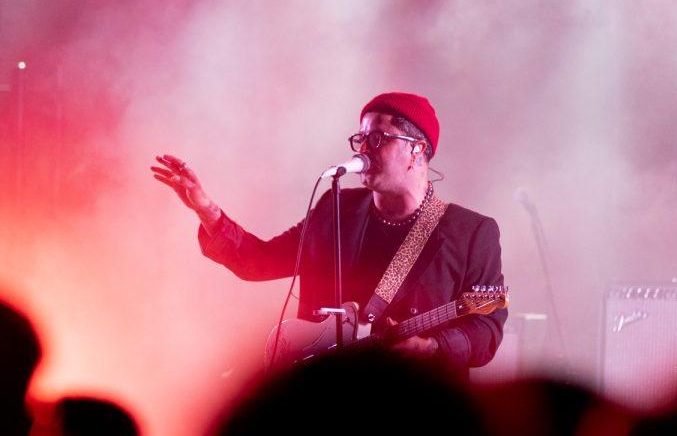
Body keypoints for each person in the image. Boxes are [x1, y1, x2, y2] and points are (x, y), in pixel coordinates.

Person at [151, 91, 506, 371]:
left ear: (417, 150)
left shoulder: (471, 232)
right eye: (361, 138)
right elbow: (259, 261)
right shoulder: (337, 209)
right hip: (327, 404)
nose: (365, 148)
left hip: (413, 409)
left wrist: (434, 348)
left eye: (379, 138)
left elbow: (487, 330)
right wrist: (205, 209)